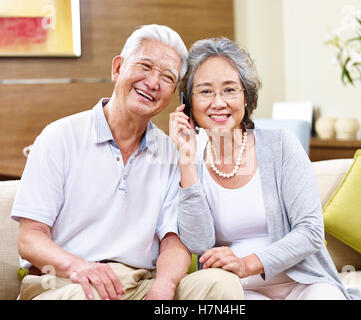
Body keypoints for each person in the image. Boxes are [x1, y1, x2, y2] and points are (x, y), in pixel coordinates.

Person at [11, 25, 243, 300]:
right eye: (145, 66)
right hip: (68, 283)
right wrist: (80, 268)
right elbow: (30, 238)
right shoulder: (59, 137)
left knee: (221, 285)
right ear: (118, 68)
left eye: (167, 77)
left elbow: (173, 240)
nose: (153, 82)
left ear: (173, 96)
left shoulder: (170, 152)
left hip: (139, 284)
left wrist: (164, 287)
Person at [169, 37, 359, 300]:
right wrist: (187, 163)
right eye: (205, 91)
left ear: (246, 96)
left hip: (304, 283)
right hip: (238, 291)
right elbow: (199, 244)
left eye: (229, 90)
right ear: (188, 104)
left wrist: (246, 263)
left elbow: (311, 232)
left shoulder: (281, 145)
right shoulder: (191, 162)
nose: (219, 102)